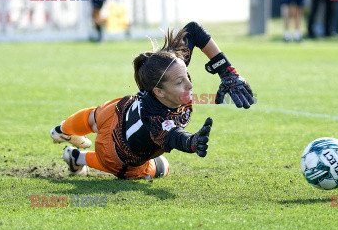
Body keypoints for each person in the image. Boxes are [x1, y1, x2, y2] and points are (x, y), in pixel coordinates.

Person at [49, 22, 255, 179]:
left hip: (117, 112)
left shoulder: (170, 70)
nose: (190, 85)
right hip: (115, 154)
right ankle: (78, 157)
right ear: (159, 92)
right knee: (163, 168)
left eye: (186, 76)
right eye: (180, 82)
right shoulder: (156, 119)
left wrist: (227, 72)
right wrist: (193, 142)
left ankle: (62, 130)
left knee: (94, 116)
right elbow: (176, 137)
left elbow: (193, 30)